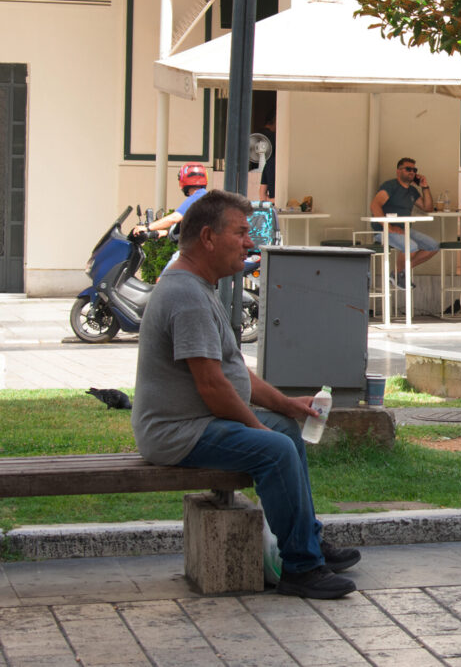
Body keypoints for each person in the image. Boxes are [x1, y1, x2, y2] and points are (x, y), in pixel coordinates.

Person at [131, 190, 361, 600]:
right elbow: (212, 387)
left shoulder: (199, 286)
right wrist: (258, 430)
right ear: (207, 237)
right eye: (240, 233)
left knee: (286, 431)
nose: (250, 242)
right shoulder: (186, 295)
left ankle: (308, 540)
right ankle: (301, 568)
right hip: (176, 432)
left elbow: (235, 374)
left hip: (197, 422)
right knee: (275, 447)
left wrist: (288, 405)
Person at [370, 157, 439, 286]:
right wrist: (389, 227)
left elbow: (427, 207)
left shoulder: (412, 191)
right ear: (398, 171)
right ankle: (399, 275)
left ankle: (399, 271)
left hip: (405, 229)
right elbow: (375, 205)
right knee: (411, 247)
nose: (412, 172)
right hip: (384, 230)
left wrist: (425, 187)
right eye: (408, 169)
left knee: (433, 246)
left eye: (414, 170)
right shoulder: (390, 186)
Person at [135, 163, 208, 237]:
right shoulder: (204, 197)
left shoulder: (197, 197)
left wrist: (147, 227)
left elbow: (174, 218)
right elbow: (189, 228)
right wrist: (163, 232)